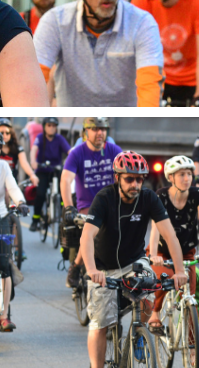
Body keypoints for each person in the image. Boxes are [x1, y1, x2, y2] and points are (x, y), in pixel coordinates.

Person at [81, 151, 187, 368]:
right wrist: (92, 269)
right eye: (129, 179)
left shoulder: (149, 198)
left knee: (150, 285)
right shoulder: (104, 198)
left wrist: (180, 270)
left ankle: (139, 333)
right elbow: (87, 236)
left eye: (140, 179)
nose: (135, 184)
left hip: (135, 262)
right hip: (104, 268)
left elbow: (170, 235)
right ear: (117, 178)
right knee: (100, 323)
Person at [33, 0, 164, 107]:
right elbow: (34, 81)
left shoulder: (142, 23)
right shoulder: (55, 22)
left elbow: (150, 89)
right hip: (69, 122)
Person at [146, 155, 199, 335]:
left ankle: (191, 349)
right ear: (171, 177)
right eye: (181, 174)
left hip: (186, 253)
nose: (187, 178)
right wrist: (153, 254)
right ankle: (155, 314)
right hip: (162, 252)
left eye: (189, 174)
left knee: (191, 297)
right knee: (165, 278)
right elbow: (155, 229)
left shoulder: (198, 195)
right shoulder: (161, 196)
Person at [62, 117, 123, 288]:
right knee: (93, 232)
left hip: (111, 204)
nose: (100, 133)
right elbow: (66, 180)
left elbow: (125, 175)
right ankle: (76, 267)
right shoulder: (77, 152)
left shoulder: (114, 150)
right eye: (95, 129)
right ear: (85, 132)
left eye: (103, 129)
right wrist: (68, 207)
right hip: (87, 207)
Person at [0, 133, 28, 332]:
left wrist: (21, 202)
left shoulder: (2, 166)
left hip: (1, 215)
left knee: (4, 265)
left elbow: (13, 187)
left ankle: (4, 315)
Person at [29, 117, 71, 231]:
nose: (51, 128)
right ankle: (35, 220)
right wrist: (33, 161)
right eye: (49, 125)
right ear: (44, 127)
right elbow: (34, 150)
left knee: (64, 193)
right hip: (42, 171)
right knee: (41, 194)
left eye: (54, 125)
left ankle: (66, 217)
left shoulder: (60, 139)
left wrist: (72, 160)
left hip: (56, 171)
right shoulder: (40, 138)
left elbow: (70, 152)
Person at [0, 118, 36, 185]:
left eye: (7, 133)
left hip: (12, 182)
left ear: (11, 133)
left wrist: (32, 174)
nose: (4, 135)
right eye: (1, 133)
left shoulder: (17, 148)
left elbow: (24, 162)